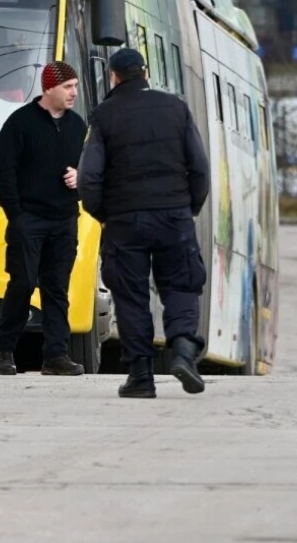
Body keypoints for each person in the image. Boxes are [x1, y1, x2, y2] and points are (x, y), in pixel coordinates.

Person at [77, 48, 211, 398]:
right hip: (174, 216)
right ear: (145, 71)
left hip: (125, 220)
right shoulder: (176, 108)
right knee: (182, 285)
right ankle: (183, 349)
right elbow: (199, 168)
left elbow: (88, 178)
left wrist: (103, 214)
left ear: (115, 76)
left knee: (131, 295)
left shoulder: (104, 115)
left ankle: (141, 377)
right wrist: (190, 208)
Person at [0, 61, 88, 376]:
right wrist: (16, 215)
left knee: (57, 287)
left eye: (75, 86)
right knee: (22, 283)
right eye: (68, 87)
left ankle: (56, 355)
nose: (74, 92)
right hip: (28, 218)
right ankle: (4, 349)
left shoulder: (78, 126)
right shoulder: (20, 123)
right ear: (48, 89)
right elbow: (2, 172)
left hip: (64, 219)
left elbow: (90, 168)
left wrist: (81, 179)